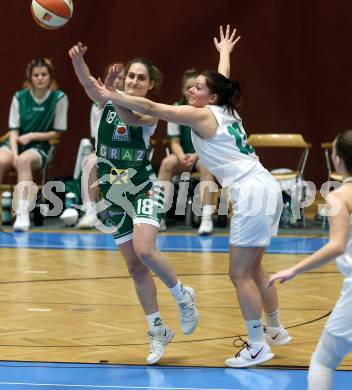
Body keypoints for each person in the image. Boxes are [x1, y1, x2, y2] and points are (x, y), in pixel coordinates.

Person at [90, 24, 292, 368]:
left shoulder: (198, 113)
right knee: (255, 268)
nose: (191, 88)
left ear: (209, 96)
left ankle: (257, 344)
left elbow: (152, 108)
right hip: (266, 186)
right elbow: (221, 79)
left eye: (198, 86)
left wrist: (112, 94)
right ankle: (275, 327)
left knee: (239, 274)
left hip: (251, 191)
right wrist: (225, 53)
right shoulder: (223, 106)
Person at [69, 42, 199, 365]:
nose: (133, 81)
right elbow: (87, 83)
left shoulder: (147, 110)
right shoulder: (106, 102)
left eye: (141, 78)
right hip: (115, 195)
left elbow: (127, 112)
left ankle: (183, 296)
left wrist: (111, 91)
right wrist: (79, 60)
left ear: (150, 84)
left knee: (145, 249)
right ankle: (157, 330)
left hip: (143, 189)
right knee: (134, 266)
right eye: (130, 76)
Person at [268, 130, 352, 389]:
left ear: (337, 160)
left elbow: (337, 246)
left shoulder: (339, 196)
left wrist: (294, 269)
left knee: (323, 362)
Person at [0, 58, 68, 231]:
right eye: (36, 75)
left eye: (43, 74)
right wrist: (14, 155)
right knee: (1, 159)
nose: (40, 78)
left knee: (24, 161)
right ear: (30, 78)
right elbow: (13, 130)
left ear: (50, 77)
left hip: (40, 147)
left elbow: (57, 132)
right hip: (15, 144)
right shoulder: (19, 96)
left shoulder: (59, 98)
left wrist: (31, 136)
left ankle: (22, 213)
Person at [158, 69, 216, 235]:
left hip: (202, 155)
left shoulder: (208, 111)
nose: (192, 90)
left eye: (196, 87)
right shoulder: (176, 109)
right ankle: (159, 216)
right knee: (167, 162)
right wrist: (181, 156)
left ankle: (206, 218)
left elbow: (210, 140)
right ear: (183, 91)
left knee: (206, 165)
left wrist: (196, 156)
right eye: (188, 87)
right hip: (184, 156)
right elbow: (174, 141)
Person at [77, 65, 125, 229]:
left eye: (122, 78)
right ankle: (90, 212)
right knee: (89, 161)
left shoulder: (131, 102)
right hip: (103, 153)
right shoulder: (99, 103)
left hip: (124, 156)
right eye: (116, 77)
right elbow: (96, 136)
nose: (119, 81)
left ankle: (114, 208)